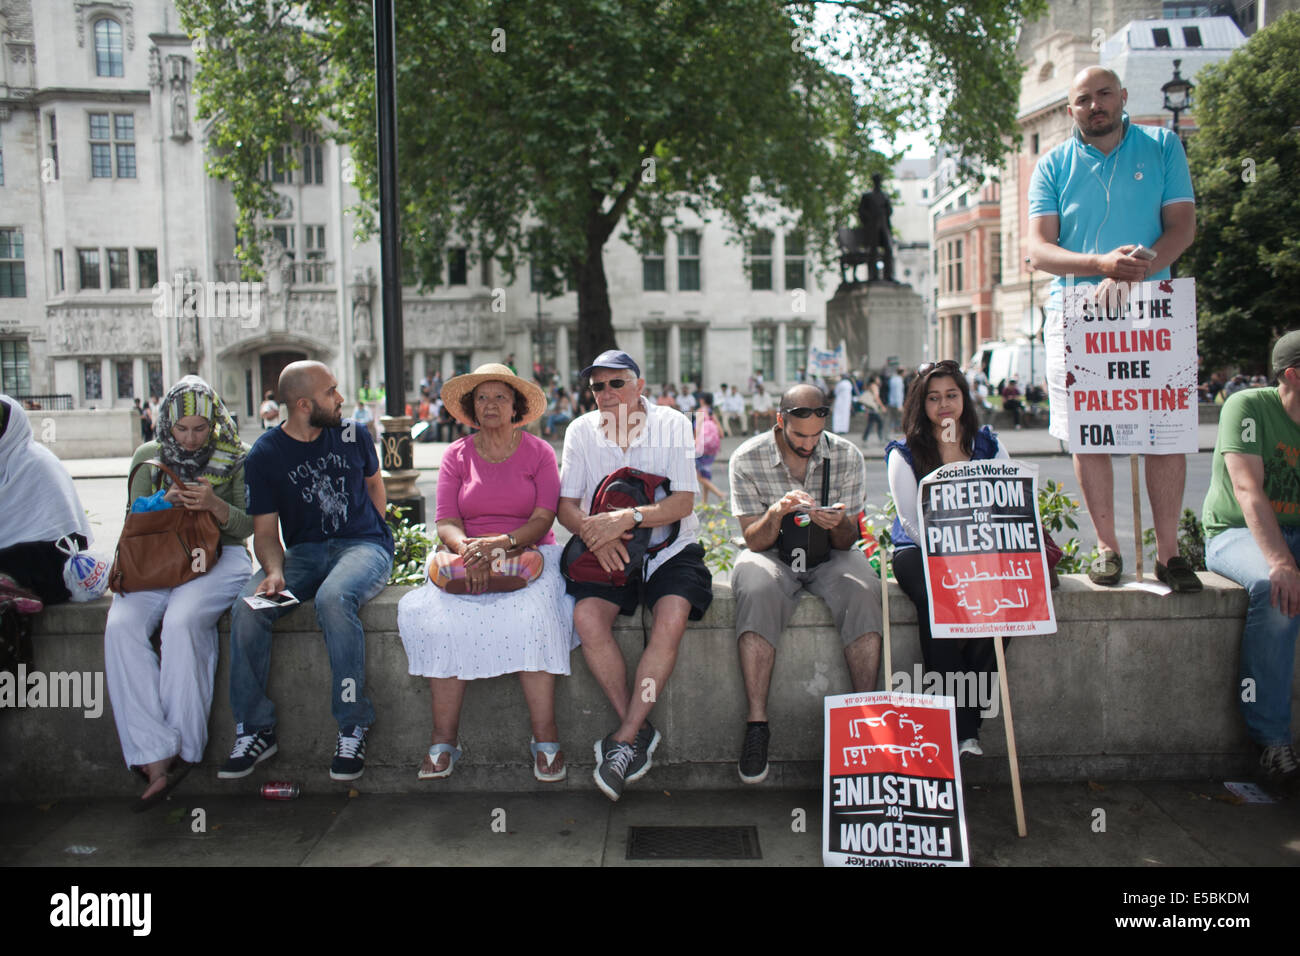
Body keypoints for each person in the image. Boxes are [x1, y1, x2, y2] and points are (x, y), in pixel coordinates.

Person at [1027, 65, 1198, 592]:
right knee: (1088, 432)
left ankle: (1169, 553)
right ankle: (1108, 549)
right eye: (1084, 99)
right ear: (1071, 109)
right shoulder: (1052, 164)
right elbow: (1037, 250)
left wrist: (1137, 267)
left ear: (1123, 97)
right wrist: (1102, 265)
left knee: (1164, 429)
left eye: (1104, 95)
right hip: (1077, 308)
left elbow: (1182, 226)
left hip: (1154, 303)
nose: (1095, 105)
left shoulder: (1164, 146)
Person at [398, 364, 578, 781]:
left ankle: (545, 739)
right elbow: (445, 520)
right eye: (482, 397)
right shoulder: (455, 455)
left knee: (535, 619)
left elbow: (544, 517)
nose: (491, 404)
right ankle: (444, 740)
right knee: (441, 623)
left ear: (516, 406)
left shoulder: (539, 453)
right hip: (466, 556)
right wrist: (470, 551)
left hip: (528, 554)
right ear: (471, 408)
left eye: (500, 396)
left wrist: (500, 545)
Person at [219, 360, 394, 782]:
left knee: (335, 599)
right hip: (304, 556)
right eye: (331, 392)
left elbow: (374, 485)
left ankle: (353, 723)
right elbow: (264, 532)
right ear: (302, 404)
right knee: (249, 608)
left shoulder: (352, 433)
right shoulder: (264, 455)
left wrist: (375, 529)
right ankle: (255, 728)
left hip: (362, 546)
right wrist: (274, 572)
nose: (340, 399)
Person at [558, 350, 712, 800]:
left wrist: (625, 519)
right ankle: (636, 730)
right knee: (587, 619)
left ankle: (623, 739)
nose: (605, 394)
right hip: (606, 549)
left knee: (671, 618)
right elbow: (566, 506)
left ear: (640, 385)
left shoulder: (674, 424)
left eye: (616, 383)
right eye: (597, 387)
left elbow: (684, 502)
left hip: (670, 548)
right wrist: (596, 533)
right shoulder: (580, 431)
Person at [103, 377, 254, 810]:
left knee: (182, 621)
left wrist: (214, 505)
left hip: (218, 557)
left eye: (199, 429)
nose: (189, 439)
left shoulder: (237, 458)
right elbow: (132, 521)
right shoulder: (148, 457)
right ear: (167, 423)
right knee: (121, 626)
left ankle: (182, 748)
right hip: (157, 558)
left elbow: (248, 527)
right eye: (181, 429)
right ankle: (152, 753)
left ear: (214, 424)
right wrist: (163, 503)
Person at [728, 384, 881, 783]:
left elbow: (849, 542)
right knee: (756, 587)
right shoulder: (748, 457)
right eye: (799, 436)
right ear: (781, 422)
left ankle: (867, 717)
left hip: (829, 553)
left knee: (864, 587)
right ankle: (757, 724)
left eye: (816, 436)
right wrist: (776, 513)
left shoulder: (846, 455)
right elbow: (753, 539)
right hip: (772, 553)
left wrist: (840, 524)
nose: (809, 444)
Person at [886, 361, 1009, 755]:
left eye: (951, 396)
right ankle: (963, 729)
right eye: (933, 398)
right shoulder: (903, 453)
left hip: (981, 551)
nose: (943, 405)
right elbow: (910, 519)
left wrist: (977, 558)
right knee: (936, 599)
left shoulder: (988, 445)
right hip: (917, 551)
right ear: (921, 404)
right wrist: (953, 560)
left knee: (1005, 607)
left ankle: (963, 722)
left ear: (963, 400)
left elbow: (1008, 503)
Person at [1203, 332, 1300, 782]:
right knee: (1272, 586)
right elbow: (1248, 490)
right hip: (1235, 532)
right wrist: (1281, 561)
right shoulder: (1245, 407)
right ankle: (1272, 740)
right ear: (1293, 375)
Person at [0, 394, 94, 606]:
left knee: (22, 557)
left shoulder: (37, 462)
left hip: (50, 562)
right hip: (12, 557)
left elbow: (69, 536)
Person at [694, 392, 725, 505]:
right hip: (712, 449)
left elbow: (697, 430)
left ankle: (720, 494)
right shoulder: (712, 413)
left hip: (701, 448)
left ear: (702, 400)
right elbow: (721, 433)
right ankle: (704, 502)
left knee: (699, 477)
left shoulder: (700, 411)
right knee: (705, 474)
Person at [860, 375, 886, 443]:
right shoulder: (874, 386)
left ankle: (865, 439)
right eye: (878, 378)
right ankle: (881, 439)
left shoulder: (870, 385)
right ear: (875, 379)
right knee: (880, 422)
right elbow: (876, 397)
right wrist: (882, 406)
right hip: (873, 408)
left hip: (870, 408)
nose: (879, 380)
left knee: (871, 424)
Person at [887, 367, 905, 434]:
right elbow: (898, 393)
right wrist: (899, 405)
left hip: (891, 402)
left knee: (892, 419)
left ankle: (890, 433)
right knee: (898, 419)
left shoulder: (892, 379)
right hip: (897, 403)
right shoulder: (899, 380)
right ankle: (897, 433)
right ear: (902, 372)